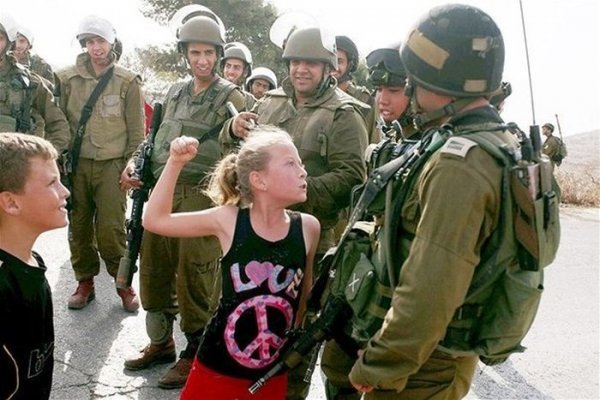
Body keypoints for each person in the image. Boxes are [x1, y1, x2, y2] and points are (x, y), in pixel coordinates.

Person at [335, 4, 522, 398]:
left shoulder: (460, 164)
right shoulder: (493, 141)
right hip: (431, 352)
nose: (409, 90)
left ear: (440, 81)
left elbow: (431, 287)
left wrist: (382, 362)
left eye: (414, 80)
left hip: (425, 363)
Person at [221, 25, 369, 400]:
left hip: (310, 238)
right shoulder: (269, 102)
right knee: (248, 318)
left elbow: (352, 177)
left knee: (297, 329)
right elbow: (242, 153)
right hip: (258, 231)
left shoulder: (345, 114)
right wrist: (232, 128)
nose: (301, 69)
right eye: (295, 62)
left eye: (311, 63)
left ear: (328, 68)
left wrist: (295, 192)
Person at [143, 128, 320, 399]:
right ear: (259, 180)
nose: (303, 172)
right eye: (290, 164)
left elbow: (303, 301)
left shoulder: (308, 228)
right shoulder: (229, 220)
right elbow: (155, 220)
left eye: (301, 164)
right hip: (217, 366)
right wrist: (175, 163)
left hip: (272, 369)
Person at [121, 11, 247, 389]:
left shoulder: (231, 96)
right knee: (155, 267)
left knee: (195, 273)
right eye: (195, 53)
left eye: (208, 53)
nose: (202, 60)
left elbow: (240, 143)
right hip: (163, 189)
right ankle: (161, 342)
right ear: (185, 54)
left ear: (219, 55)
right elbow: (154, 137)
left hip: (202, 195)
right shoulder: (175, 91)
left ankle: (195, 351)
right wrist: (134, 162)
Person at [55, 15, 145, 312]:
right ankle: (85, 282)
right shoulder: (66, 79)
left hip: (112, 167)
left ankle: (123, 284)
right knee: (79, 226)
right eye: (90, 42)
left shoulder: (127, 81)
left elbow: (137, 133)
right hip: (77, 166)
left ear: (111, 42)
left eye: (101, 41)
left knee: (111, 229)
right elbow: (58, 124)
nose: (96, 47)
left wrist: (131, 164)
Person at [0, 133, 70, 400]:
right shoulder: (3, 284)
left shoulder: (32, 260)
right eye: (52, 182)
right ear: (11, 202)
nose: (65, 191)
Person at [0, 13, 70, 153]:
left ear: (9, 43)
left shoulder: (28, 82)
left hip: (15, 161)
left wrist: (46, 156)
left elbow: (58, 124)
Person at [332, 35, 379, 144]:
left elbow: (373, 141)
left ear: (349, 64)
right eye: (330, 60)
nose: (333, 66)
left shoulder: (363, 99)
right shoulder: (314, 95)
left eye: (339, 61)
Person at [221, 41, 256, 109]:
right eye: (228, 66)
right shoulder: (208, 92)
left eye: (236, 67)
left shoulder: (250, 102)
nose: (231, 72)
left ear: (245, 72)